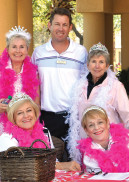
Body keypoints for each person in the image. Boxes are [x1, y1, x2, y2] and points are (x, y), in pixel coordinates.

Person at [67, 42, 129, 163]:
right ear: (87, 65)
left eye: (101, 62)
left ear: (107, 66)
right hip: (83, 143)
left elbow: (127, 114)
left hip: (107, 144)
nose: (97, 66)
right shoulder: (79, 85)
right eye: (93, 61)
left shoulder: (116, 86)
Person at [0, 26, 40, 166]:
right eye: (14, 46)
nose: (18, 51)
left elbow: (36, 105)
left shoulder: (33, 72)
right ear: (7, 48)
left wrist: (28, 119)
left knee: (16, 167)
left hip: (21, 129)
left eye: (22, 47)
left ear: (27, 49)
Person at [31, 8, 87, 141]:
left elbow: (88, 83)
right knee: (49, 161)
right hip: (46, 118)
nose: (60, 28)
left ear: (70, 27)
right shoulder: (39, 53)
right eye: (57, 24)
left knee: (75, 159)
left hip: (74, 118)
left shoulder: (81, 52)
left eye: (64, 25)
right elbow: (33, 84)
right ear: (50, 26)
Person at [0, 92, 81, 172]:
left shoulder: (44, 131)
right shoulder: (7, 137)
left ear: (35, 112)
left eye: (29, 110)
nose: (26, 116)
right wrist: (62, 166)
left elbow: (52, 160)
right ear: (13, 118)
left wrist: (65, 166)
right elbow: (19, 167)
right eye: (20, 113)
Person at [77, 105, 129, 174]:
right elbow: (96, 178)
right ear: (86, 130)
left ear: (107, 123)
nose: (96, 128)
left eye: (100, 122)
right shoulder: (89, 153)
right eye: (91, 125)